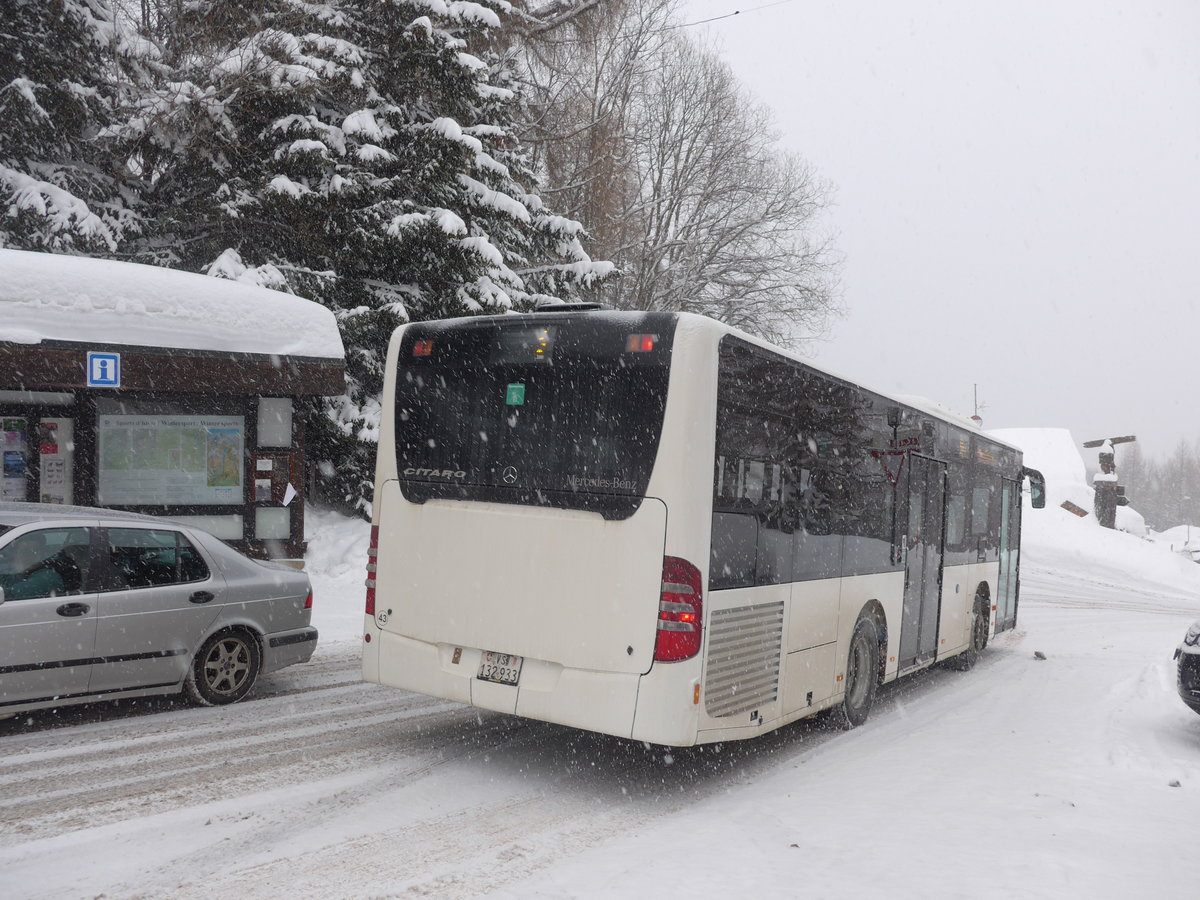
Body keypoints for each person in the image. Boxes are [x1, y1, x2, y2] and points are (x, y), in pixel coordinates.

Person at [0, 532, 66, 601]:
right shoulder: (19, 573)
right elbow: (6, 579)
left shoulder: (47, 577)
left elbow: (9, 594)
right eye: (23, 551)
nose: (26, 556)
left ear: (41, 554)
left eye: (32, 552)